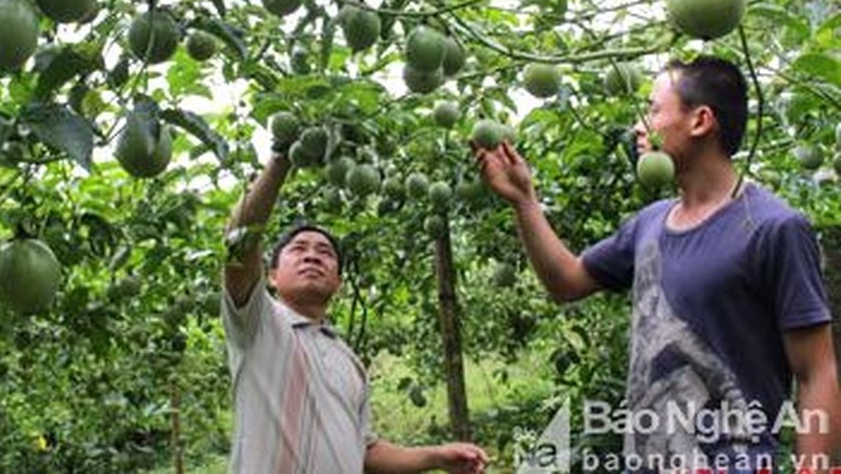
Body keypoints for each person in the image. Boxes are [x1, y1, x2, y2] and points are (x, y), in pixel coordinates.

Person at [474, 56, 840, 474]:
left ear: (700, 120)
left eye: (652, 110)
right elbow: (566, 283)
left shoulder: (774, 228)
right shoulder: (651, 223)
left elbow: (816, 371)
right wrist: (524, 201)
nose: (639, 126)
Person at [221, 148, 489, 474]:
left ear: (340, 284)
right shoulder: (258, 325)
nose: (312, 256)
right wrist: (282, 156)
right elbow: (239, 241)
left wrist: (435, 456)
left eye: (324, 252)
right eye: (299, 249)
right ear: (272, 276)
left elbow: (365, 449)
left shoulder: (349, 360)